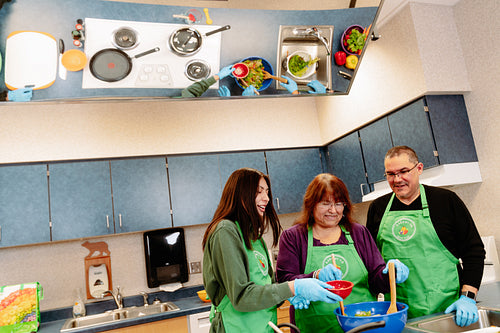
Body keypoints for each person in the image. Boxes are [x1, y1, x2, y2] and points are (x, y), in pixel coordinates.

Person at [202, 168, 342, 333]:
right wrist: (293, 287)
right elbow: (241, 297)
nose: (266, 198)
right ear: (240, 194)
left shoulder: (255, 237)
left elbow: (268, 289)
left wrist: (291, 294)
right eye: (259, 192)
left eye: (267, 192)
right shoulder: (225, 230)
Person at [366, 146, 486, 327]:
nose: (397, 179)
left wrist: (468, 297)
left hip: (445, 312)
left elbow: (474, 252)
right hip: (397, 314)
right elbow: (371, 261)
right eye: (390, 174)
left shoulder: (446, 201)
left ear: (419, 168)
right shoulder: (378, 208)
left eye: (404, 171)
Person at [276, 173, 409, 333]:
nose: (333, 210)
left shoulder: (358, 233)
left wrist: (389, 275)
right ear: (311, 204)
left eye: (339, 204)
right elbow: (285, 282)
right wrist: (315, 275)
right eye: (326, 204)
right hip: (316, 327)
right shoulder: (294, 237)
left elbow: (375, 280)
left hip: (363, 325)